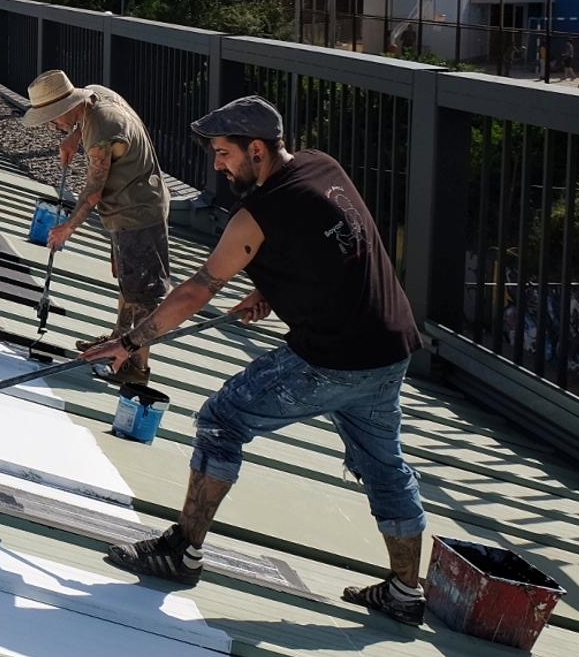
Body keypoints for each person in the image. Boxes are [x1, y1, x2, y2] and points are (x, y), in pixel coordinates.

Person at [83, 95, 429, 625]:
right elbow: (334, 248)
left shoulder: (257, 215)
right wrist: (275, 288)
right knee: (385, 467)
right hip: (389, 349)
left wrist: (129, 342)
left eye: (225, 153)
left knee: (222, 420)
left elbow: (198, 289)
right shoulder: (323, 167)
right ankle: (406, 592)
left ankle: (182, 551)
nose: (218, 165)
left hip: (332, 358)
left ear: (259, 151)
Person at [21, 71, 170, 387]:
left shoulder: (101, 130)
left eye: (52, 119)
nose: (52, 125)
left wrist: (66, 229)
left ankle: (136, 368)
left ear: (65, 108)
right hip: (129, 205)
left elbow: (92, 192)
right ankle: (120, 339)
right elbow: (96, 122)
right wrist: (74, 136)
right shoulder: (94, 97)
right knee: (128, 283)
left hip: (138, 210)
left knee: (142, 293)